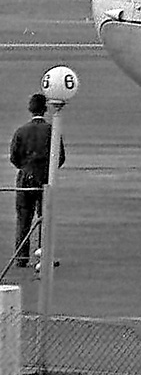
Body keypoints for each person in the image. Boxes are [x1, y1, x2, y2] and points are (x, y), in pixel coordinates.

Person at [11, 93, 62, 268]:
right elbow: (59, 156)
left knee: (23, 219)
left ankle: (21, 258)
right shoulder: (51, 131)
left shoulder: (21, 131)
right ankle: (43, 256)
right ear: (45, 109)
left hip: (24, 178)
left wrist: (26, 168)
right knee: (45, 218)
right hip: (45, 179)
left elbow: (14, 157)